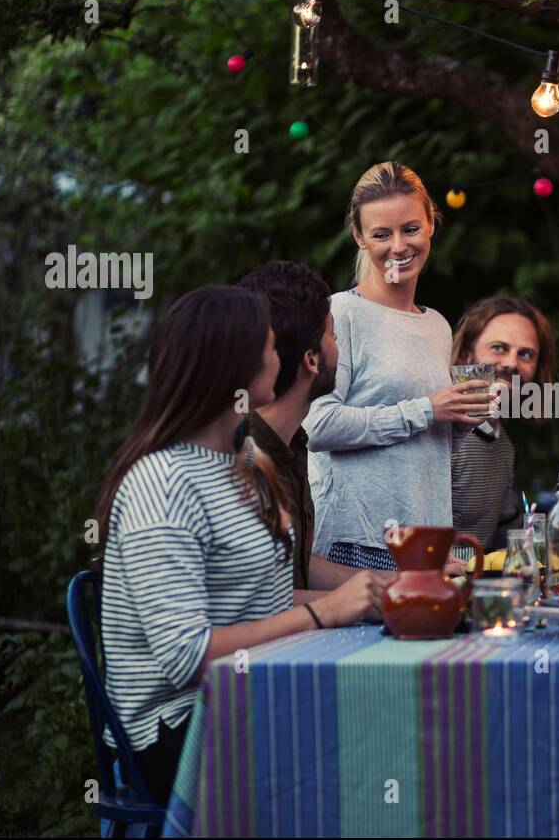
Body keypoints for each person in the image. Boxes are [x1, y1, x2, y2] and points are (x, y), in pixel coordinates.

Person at [95, 285, 386, 804]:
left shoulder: (242, 469)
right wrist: (325, 614)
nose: (280, 357)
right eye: (271, 346)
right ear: (238, 366)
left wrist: (376, 596)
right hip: (179, 730)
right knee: (373, 746)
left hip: (249, 696)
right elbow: (187, 657)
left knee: (388, 713)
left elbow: (266, 603)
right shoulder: (162, 483)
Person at [304, 161, 493, 570]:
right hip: (357, 541)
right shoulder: (341, 313)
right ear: (359, 237)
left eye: (410, 229)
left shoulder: (437, 325)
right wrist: (427, 409)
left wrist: (458, 423)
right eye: (381, 234)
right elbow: (317, 426)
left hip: (427, 538)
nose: (399, 247)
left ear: (431, 225)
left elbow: (424, 443)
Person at [236, 260, 397, 592]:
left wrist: (399, 583)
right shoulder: (243, 459)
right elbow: (248, 607)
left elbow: (299, 565)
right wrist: (339, 607)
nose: (338, 346)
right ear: (312, 359)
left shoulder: (292, 443)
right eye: (333, 334)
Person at [449, 296, 556, 550]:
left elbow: (501, 535)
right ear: (466, 355)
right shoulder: (439, 433)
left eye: (526, 354)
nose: (511, 363)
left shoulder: (503, 444)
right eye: (498, 348)